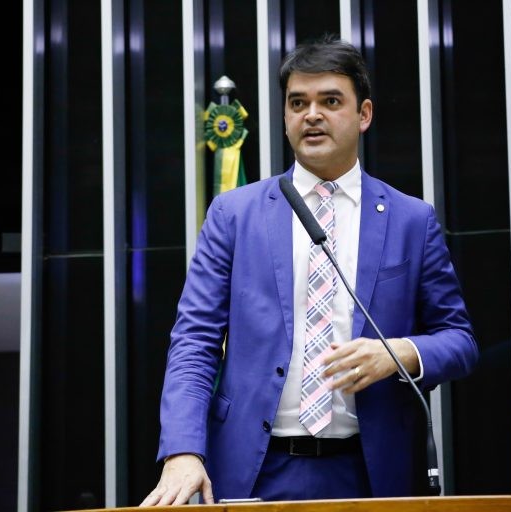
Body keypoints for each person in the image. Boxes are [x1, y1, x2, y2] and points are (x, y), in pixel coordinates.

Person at [141, 36, 477, 506]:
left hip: (372, 471)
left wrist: (399, 352)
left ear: (364, 115)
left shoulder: (410, 220)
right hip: (255, 470)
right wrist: (182, 449)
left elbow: (459, 340)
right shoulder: (234, 215)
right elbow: (194, 341)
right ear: (284, 117)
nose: (311, 114)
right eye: (298, 103)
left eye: (330, 101)